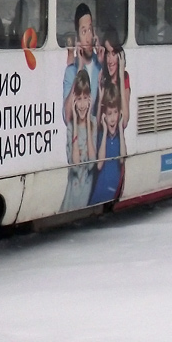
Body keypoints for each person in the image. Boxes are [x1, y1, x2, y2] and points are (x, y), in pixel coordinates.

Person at [60, 69, 97, 212]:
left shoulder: (93, 124)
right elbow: (75, 166)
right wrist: (75, 122)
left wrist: (87, 122)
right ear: (74, 99)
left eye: (85, 98)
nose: (82, 105)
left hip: (85, 192)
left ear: (90, 99)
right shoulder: (71, 127)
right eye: (79, 98)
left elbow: (91, 164)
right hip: (71, 194)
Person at [63, 3, 101, 129]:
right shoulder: (71, 71)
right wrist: (79, 70)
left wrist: (103, 65)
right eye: (84, 31)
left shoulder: (100, 65)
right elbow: (67, 117)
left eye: (90, 30)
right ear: (77, 38)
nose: (88, 37)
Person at [89, 81, 126, 205]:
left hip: (114, 191)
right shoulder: (101, 136)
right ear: (104, 115)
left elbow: (122, 159)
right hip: (101, 191)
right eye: (109, 113)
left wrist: (120, 128)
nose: (112, 118)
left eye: (115, 112)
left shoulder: (120, 138)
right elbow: (99, 165)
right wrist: (104, 132)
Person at [98, 28, 131, 131]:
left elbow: (124, 121)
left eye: (113, 54)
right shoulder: (103, 78)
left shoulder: (125, 77)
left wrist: (121, 75)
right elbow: (99, 122)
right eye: (107, 54)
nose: (110, 60)